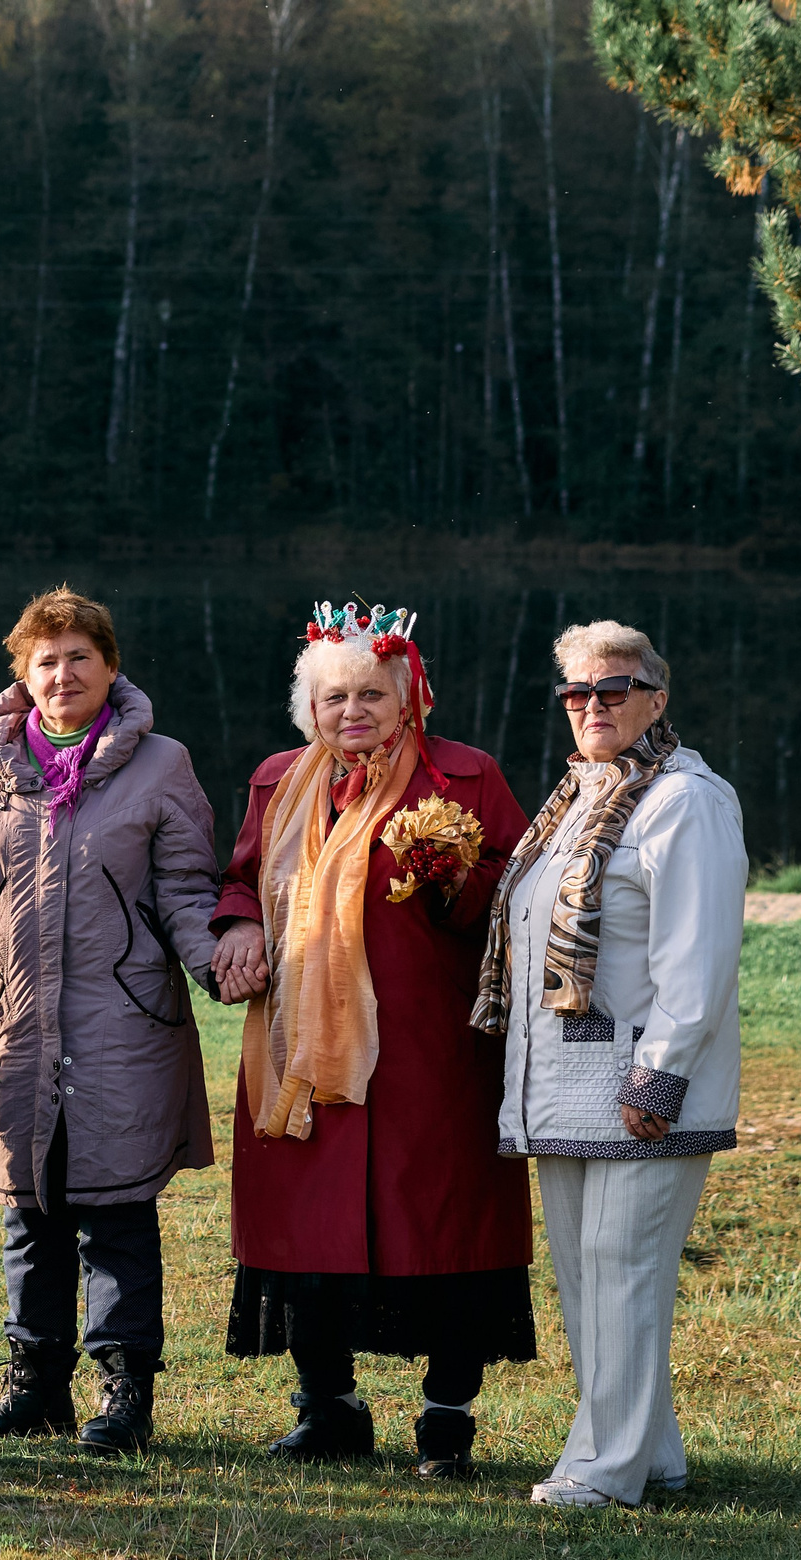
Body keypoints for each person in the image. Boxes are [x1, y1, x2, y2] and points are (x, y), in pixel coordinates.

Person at [208, 602, 534, 1478]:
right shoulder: (280, 780)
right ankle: (329, 1408)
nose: (352, 711)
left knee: (444, 1228)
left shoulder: (466, 778)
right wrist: (236, 929)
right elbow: (242, 881)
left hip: (430, 1055)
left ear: (408, 697)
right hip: (301, 1056)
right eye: (333, 696)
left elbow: (511, 905)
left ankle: (446, 1422)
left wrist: (458, 879)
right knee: (308, 1229)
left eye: (371, 694)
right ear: (308, 708)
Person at [0, 587, 219, 1454]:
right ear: (23, 672)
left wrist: (222, 960)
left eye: (79, 656)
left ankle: (125, 1392)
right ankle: (34, 1388)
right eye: (45, 659)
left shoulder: (162, 763)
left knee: (117, 1211)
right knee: (28, 1210)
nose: (62, 673)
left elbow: (188, 890)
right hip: (13, 1027)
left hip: (122, 1027)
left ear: (110, 666)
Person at [476, 621, 744, 1509]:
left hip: (639, 1086)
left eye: (614, 690)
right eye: (577, 693)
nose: (593, 706)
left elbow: (696, 958)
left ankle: (603, 1468)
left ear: (656, 698)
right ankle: (651, 1450)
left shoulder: (684, 799)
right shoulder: (577, 799)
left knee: (622, 1266)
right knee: (589, 1271)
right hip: (561, 1086)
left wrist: (661, 1072)